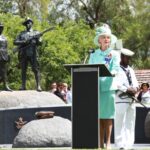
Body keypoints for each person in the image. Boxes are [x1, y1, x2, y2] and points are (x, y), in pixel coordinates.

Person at [88, 24, 120, 149]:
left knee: (108, 116)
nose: (107, 39)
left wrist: (113, 73)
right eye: (104, 37)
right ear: (99, 40)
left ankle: (108, 143)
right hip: (96, 88)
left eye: (108, 37)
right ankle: (100, 143)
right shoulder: (93, 54)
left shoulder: (114, 54)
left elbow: (116, 68)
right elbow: (90, 68)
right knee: (99, 116)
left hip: (108, 88)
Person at [115, 48, 139, 150]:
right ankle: (121, 145)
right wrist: (127, 89)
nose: (128, 59)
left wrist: (136, 89)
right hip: (121, 99)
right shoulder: (116, 69)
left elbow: (136, 83)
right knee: (120, 123)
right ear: (121, 57)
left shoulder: (131, 70)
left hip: (132, 100)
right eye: (126, 57)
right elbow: (116, 83)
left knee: (130, 123)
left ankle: (129, 145)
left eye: (129, 57)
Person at [14, 17, 42, 91]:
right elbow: (15, 42)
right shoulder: (21, 34)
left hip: (33, 54)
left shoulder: (36, 32)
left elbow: (40, 42)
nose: (28, 24)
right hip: (23, 54)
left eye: (29, 22)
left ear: (32, 23)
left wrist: (37, 40)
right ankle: (23, 86)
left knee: (36, 69)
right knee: (23, 70)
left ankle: (38, 86)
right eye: (26, 23)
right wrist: (23, 42)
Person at [0, 22, 11, 91]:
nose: (0, 29)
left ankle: (6, 85)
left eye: (1, 27)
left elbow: (6, 48)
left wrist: (7, 56)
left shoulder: (5, 38)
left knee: (4, 72)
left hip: (3, 56)